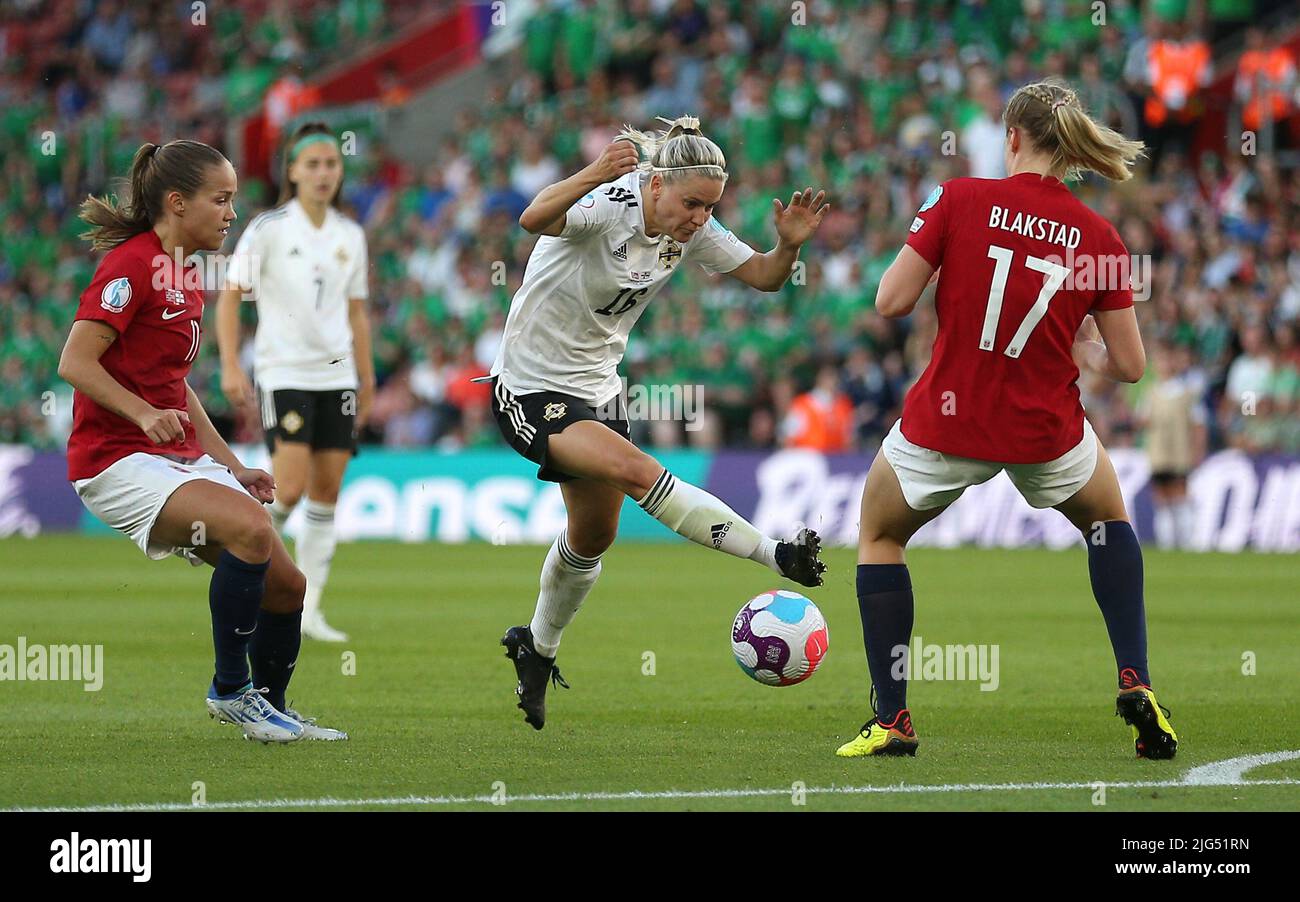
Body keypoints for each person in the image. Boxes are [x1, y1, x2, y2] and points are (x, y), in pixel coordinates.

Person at [837, 81, 1178, 760]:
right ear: (1071, 144)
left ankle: (893, 718)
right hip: (1043, 429)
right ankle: (1135, 678)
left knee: (878, 535)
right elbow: (1132, 366)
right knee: (1108, 523)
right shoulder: (1100, 236)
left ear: (1011, 138)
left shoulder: (958, 198)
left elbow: (890, 300)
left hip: (945, 422)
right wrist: (1082, 347)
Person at [492, 115, 829, 730]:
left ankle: (536, 649)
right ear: (655, 184)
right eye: (692, 204)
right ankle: (773, 554)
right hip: (530, 386)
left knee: (593, 537)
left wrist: (789, 246)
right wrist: (595, 170)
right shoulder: (608, 203)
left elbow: (764, 277)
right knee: (636, 469)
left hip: (598, 390)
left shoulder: (689, 229)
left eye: (710, 207)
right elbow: (533, 218)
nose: (701, 218)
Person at [59, 140, 346, 742]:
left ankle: (269, 706)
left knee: (288, 584)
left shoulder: (183, 273)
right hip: (113, 460)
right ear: (176, 202)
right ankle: (230, 691)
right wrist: (140, 414)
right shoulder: (132, 265)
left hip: (169, 456)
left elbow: (176, 388)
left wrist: (232, 466)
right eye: (221, 199)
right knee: (249, 528)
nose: (231, 213)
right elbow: (77, 362)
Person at [217, 122, 374, 642]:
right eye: (313, 164)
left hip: (339, 375)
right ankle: (244, 562)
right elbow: (230, 295)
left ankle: (309, 611)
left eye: (331, 163)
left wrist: (366, 377)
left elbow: (357, 314)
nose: (324, 173)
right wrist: (232, 365)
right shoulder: (268, 229)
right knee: (290, 483)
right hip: (284, 371)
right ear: (292, 170)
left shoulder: (350, 235)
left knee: (327, 491)